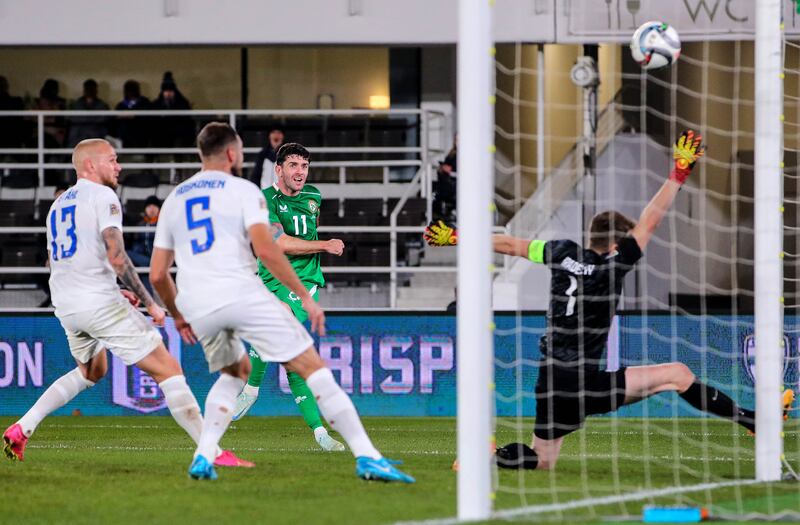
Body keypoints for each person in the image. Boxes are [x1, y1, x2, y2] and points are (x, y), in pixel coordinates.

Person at [424, 130, 795, 471]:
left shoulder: (559, 252)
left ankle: (486, 459)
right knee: (677, 375)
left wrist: (456, 237)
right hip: (584, 382)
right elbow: (650, 221)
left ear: (591, 237)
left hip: (550, 379)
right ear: (617, 244)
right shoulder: (613, 266)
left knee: (543, 461)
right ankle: (754, 422)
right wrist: (679, 172)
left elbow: (509, 244)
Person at [149, 122, 414, 482]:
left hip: (196, 302)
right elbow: (269, 249)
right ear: (232, 154)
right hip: (238, 292)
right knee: (311, 366)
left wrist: (178, 315)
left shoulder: (175, 198)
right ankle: (368, 456)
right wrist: (306, 296)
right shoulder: (245, 191)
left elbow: (157, 274)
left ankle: (204, 453)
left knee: (233, 372)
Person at [2, 138, 252, 470]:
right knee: (169, 370)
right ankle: (211, 452)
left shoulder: (57, 206)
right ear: (90, 165)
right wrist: (151, 303)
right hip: (98, 304)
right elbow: (118, 257)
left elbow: (62, 263)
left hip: (68, 305)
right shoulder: (103, 196)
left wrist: (115, 290)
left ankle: (23, 427)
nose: (118, 166)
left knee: (92, 371)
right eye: (112, 159)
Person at [232, 142, 346, 452]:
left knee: (278, 316)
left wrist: (314, 252)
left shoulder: (314, 197)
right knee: (292, 361)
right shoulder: (263, 200)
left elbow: (305, 234)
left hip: (303, 282)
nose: (300, 172)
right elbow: (279, 243)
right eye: (293, 165)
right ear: (278, 169)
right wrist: (324, 245)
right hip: (270, 277)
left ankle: (251, 389)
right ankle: (320, 433)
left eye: (304, 166)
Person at [126, 195, 161, 296]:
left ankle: (148, 301)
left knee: (144, 266)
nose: (152, 209)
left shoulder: (162, 223)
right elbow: (136, 243)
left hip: (157, 259)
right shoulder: (141, 224)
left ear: (159, 209)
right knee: (142, 268)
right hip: (144, 260)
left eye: (154, 206)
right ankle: (149, 301)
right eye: (149, 207)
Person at [151, 72, 194, 148]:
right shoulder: (157, 104)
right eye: (166, 91)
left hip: (178, 131)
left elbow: (186, 119)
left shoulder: (182, 103)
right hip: (162, 131)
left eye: (171, 91)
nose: (168, 94)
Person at [67, 79, 110, 147]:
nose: (90, 91)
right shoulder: (77, 104)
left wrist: (85, 118)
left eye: (92, 89)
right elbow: (74, 118)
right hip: (80, 132)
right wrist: (91, 118)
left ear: (96, 90)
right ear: (84, 90)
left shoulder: (102, 105)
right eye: (88, 88)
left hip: (95, 131)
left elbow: (103, 118)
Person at [114, 79, 151, 148]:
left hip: (140, 135)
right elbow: (115, 118)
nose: (130, 92)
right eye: (128, 90)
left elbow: (147, 118)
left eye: (132, 89)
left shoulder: (144, 103)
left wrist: (134, 116)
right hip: (125, 137)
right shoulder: (121, 105)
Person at [32, 78, 66, 147]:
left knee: (61, 135)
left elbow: (58, 118)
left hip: (55, 129)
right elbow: (37, 118)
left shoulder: (59, 102)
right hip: (40, 128)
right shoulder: (39, 102)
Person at [433, 134, 457, 221]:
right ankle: (437, 215)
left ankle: (440, 214)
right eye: (456, 139)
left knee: (440, 190)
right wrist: (442, 167)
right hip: (447, 180)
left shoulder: (466, 155)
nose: (457, 142)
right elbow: (447, 164)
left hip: (454, 182)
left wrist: (451, 170)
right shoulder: (452, 153)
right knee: (433, 188)